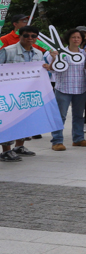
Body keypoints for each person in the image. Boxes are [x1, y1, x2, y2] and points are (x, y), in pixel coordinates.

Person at [43, 28, 86, 150]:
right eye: (73, 37)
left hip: (80, 89)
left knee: (79, 116)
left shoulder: (85, 53)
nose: (76, 39)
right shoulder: (59, 52)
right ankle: (57, 141)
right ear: (68, 39)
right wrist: (54, 58)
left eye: (79, 37)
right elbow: (52, 68)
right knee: (60, 116)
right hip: (63, 88)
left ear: (82, 39)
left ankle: (78, 139)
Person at [0, 25, 41, 161]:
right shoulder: (8, 51)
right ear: (20, 36)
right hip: (9, 93)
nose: (30, 38)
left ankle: (19, 146)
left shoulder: (38, 54)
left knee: (24, 121)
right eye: (26, 35)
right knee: (8, 122)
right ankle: (6, 151)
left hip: (28, 93)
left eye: (33, 36)